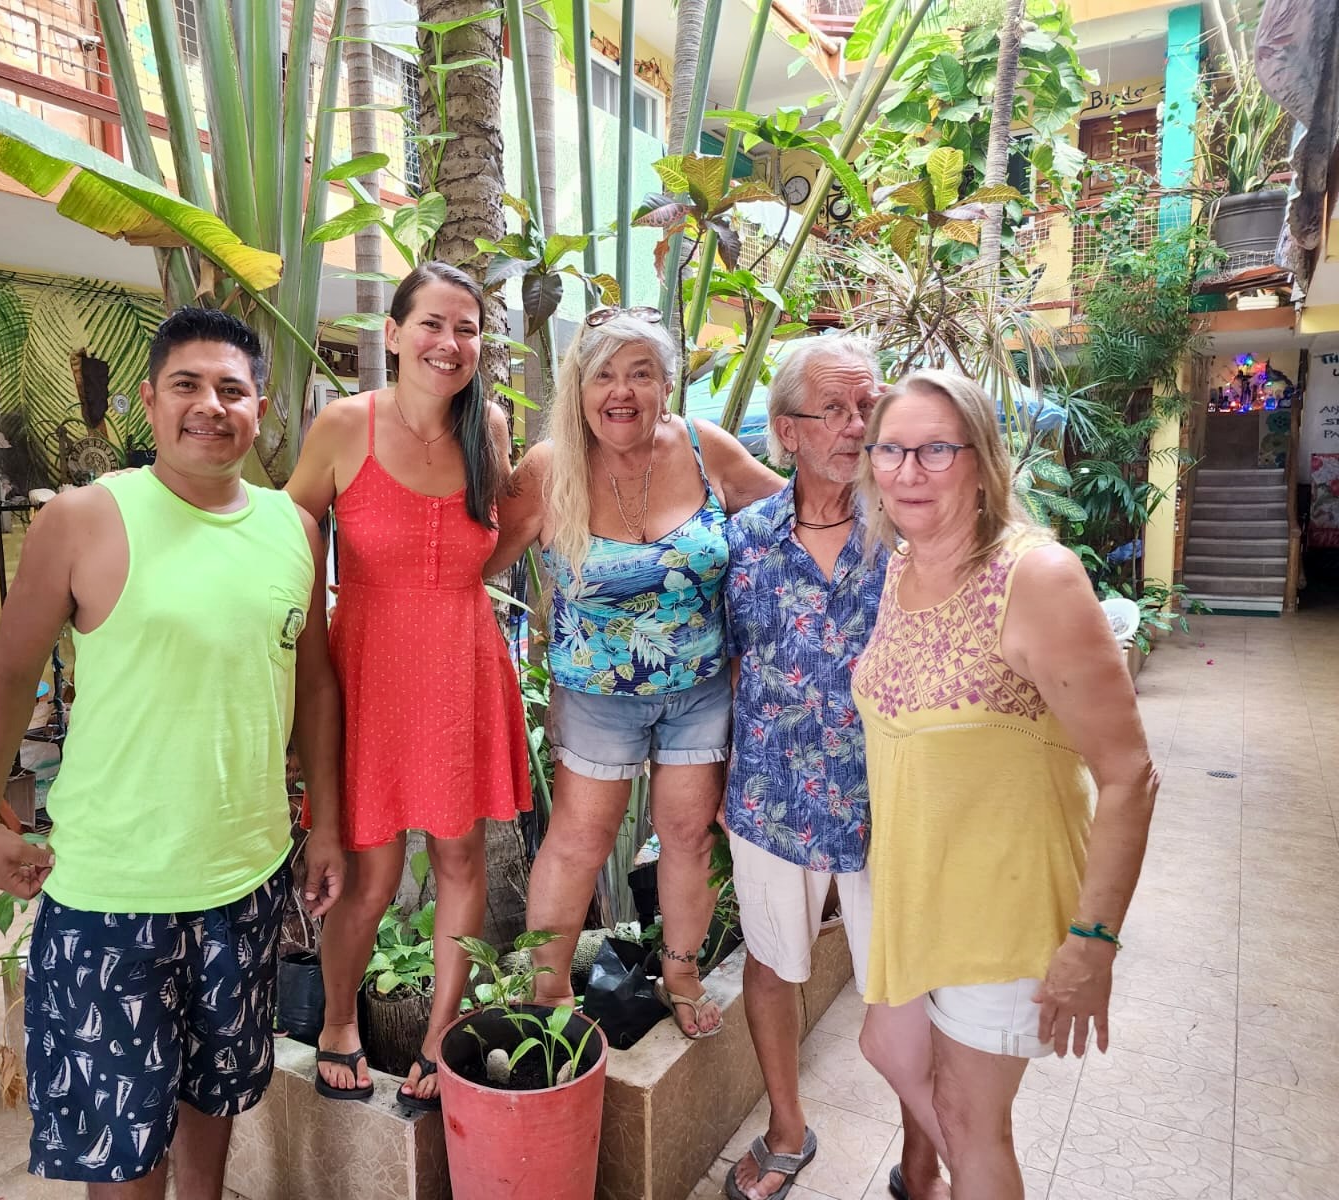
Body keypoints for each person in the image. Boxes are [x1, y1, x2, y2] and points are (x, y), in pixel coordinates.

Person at [0, 307, 345, 1200]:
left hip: (246, 880)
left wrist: (323, 824)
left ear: (259, 408)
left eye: (231, 389)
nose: (209, 405)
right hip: (113, 891)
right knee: (124, 1153)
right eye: (187, 385)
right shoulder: (84, 518)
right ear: (149, 401)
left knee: (216, 1106)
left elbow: (316, 685)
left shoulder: (294, 528)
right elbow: (11, 673)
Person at [851, 369, 1157, 1200]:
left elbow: (1129, 774)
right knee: (888, 1049)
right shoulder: (900, 569)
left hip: (1004, 907)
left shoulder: (1037, 578)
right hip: (917, 896)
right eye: (890, 450)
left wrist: (1093, 944)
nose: (908, 471)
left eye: (936, 450)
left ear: (983, 463)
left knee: (971, 1122)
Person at [488, 306, 781, 1037]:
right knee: (578, 841)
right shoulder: (549, 468)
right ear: (579, 388)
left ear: (666, 384)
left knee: (688, 836)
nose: (621, 391)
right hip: (595, 698)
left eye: (641, 374)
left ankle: (679, 974)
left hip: (702, 689)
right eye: (604, 375)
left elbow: (793, 515)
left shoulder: (705, 448)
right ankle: (550, 994)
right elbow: (476, 561)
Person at [286, 261, 530, 1111]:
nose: (448, 343)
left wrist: (457, 586)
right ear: (393, 334)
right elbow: (291, 538)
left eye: (466, 329)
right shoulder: (343, 427)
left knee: (460, 856)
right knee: (372, 875)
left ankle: (438, 1036)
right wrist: (298, 676)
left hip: (462, 663)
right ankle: (338, 1023)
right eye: (431, 324)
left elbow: (498, 535)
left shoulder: (488, 426)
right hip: (367, 672)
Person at [721, 337, 946, 1200]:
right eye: (835, 410)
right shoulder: (744, 542)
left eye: (867, 407)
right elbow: (730, 664)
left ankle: (921, 1158)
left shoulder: (913, 533)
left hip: (892, 797)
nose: (858, 425)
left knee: (908, 983)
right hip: (771, 793)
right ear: (786, 431)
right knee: (773, 961)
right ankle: (787, 1128)